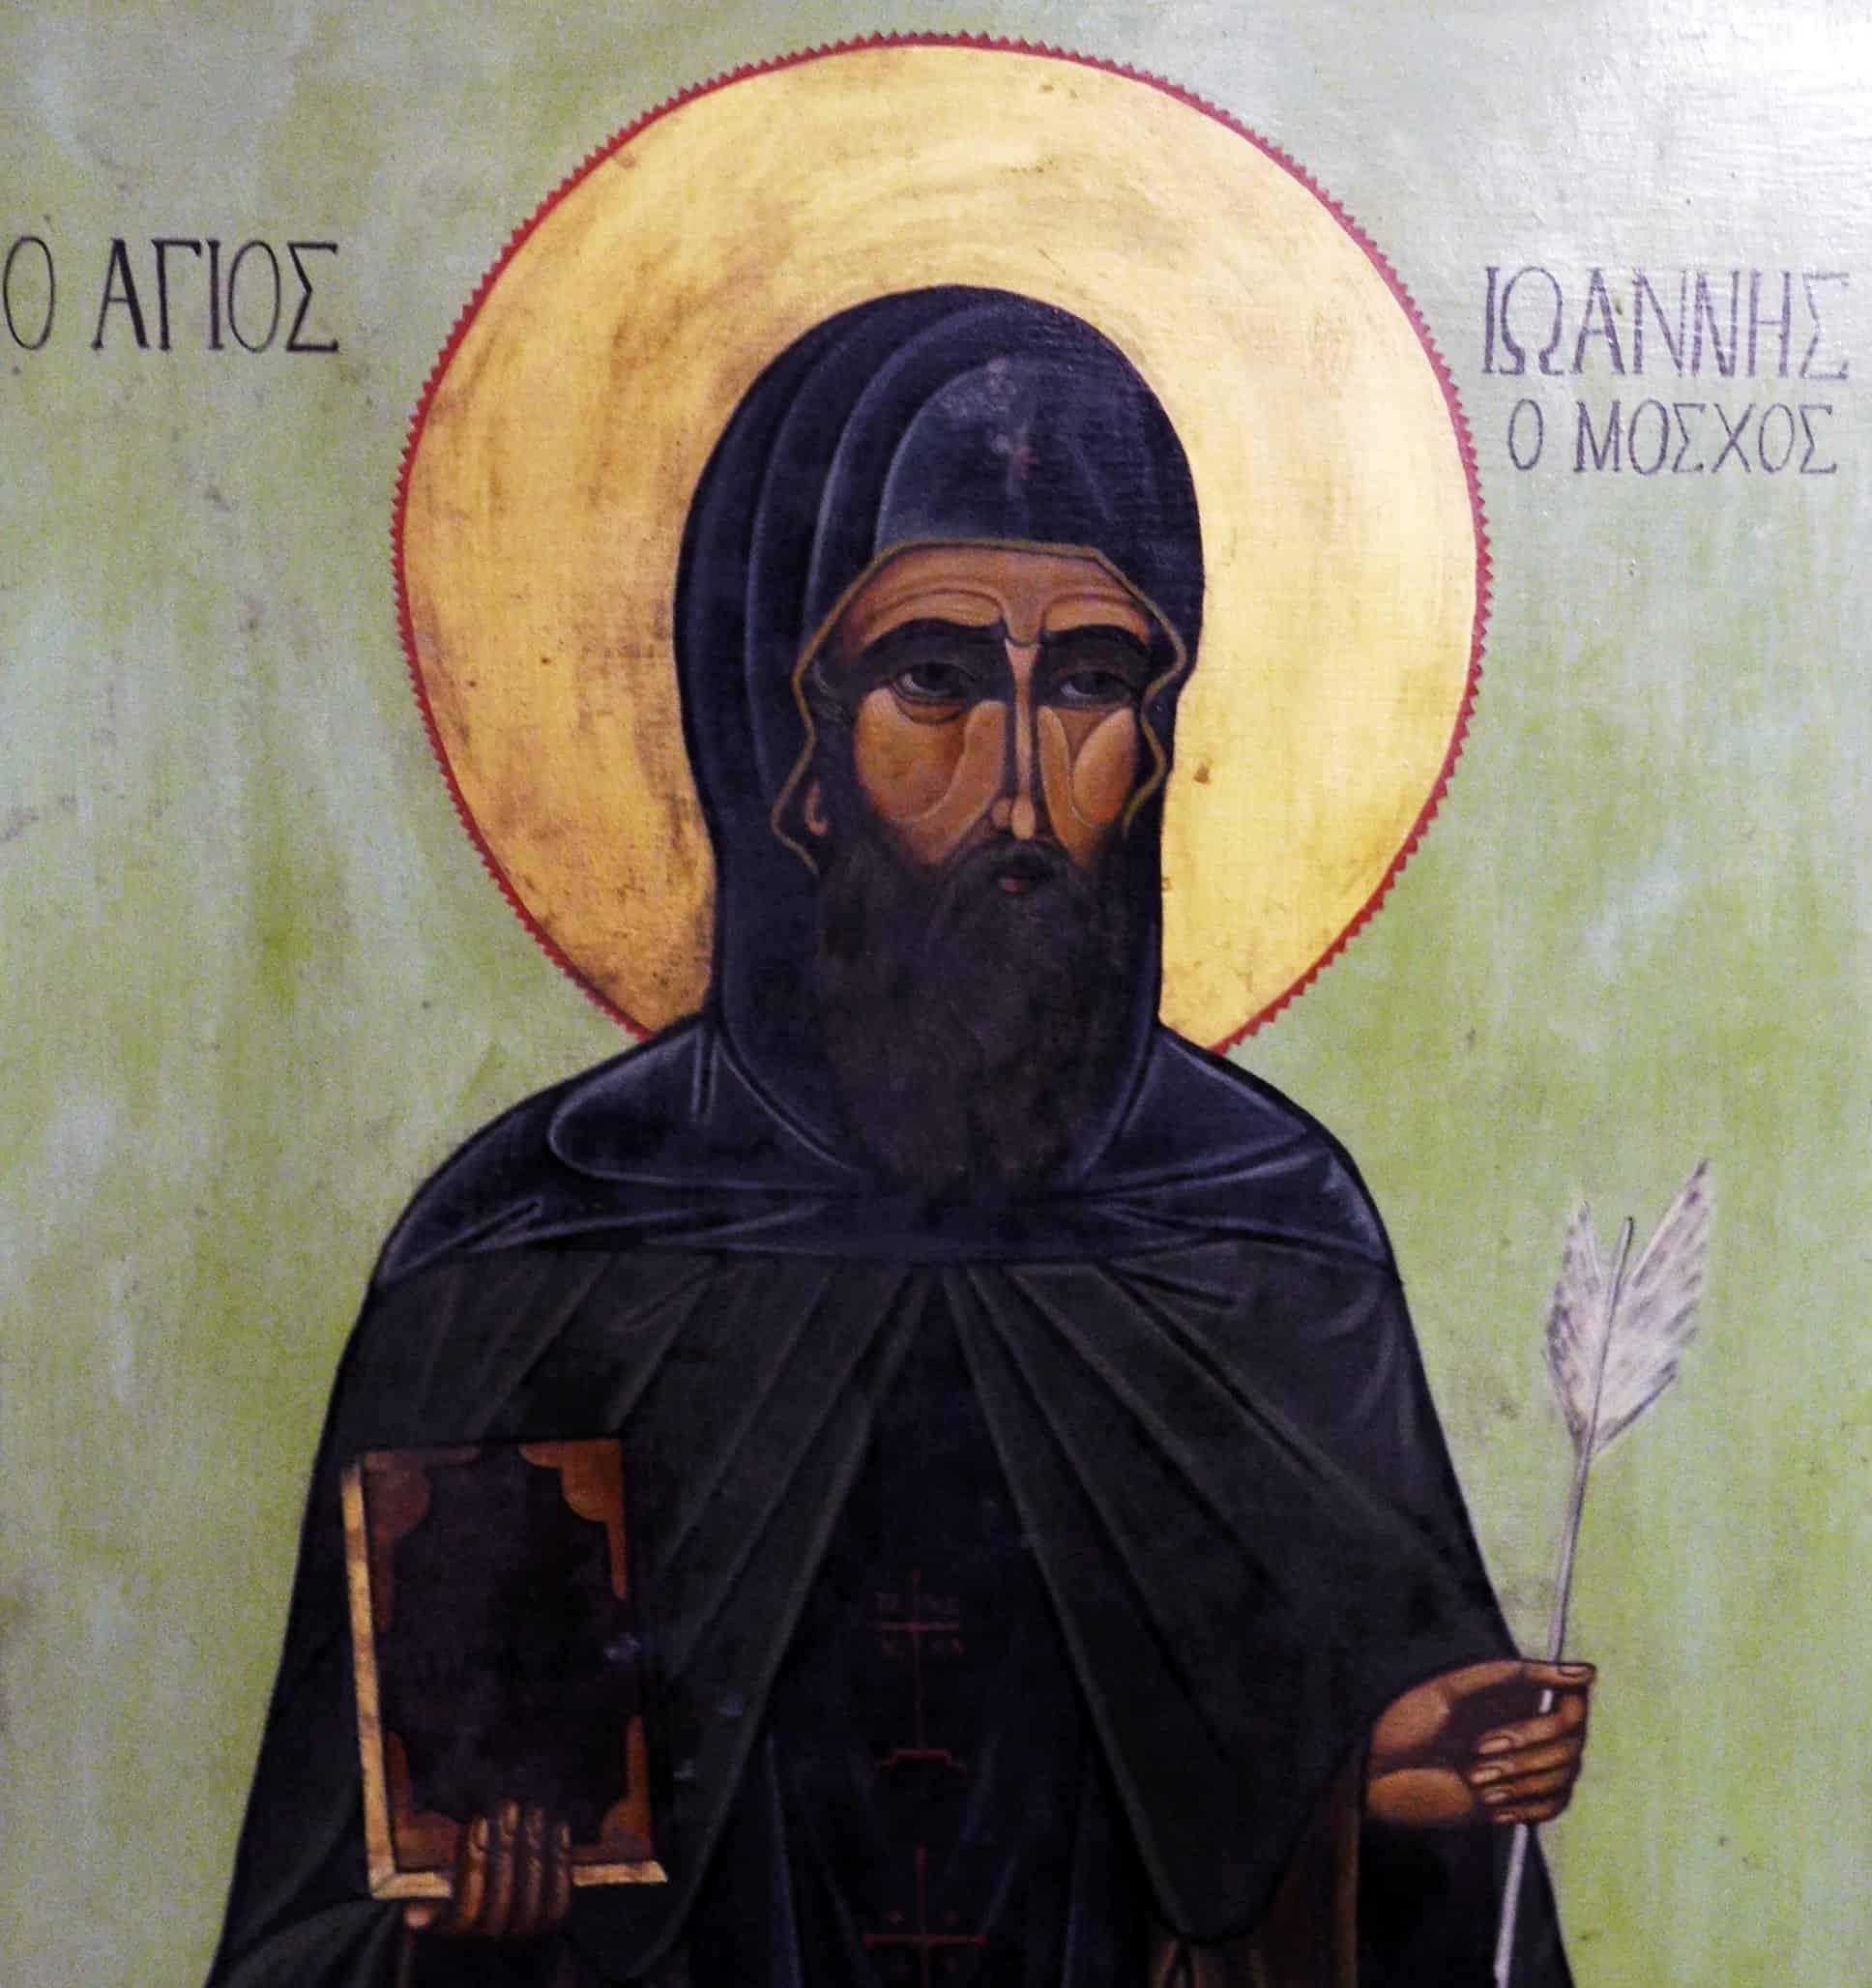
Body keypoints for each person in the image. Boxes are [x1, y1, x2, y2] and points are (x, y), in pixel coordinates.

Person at [208, 287, 1589, 1987]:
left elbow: (1394, 1903)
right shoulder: (539, 1248)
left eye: (1090, 682)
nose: (1023, 788)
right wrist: (463, 1942)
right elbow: (318, 1932)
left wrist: (1382, 1811)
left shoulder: (1262, 1238)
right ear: (787, 751)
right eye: (933, 679)